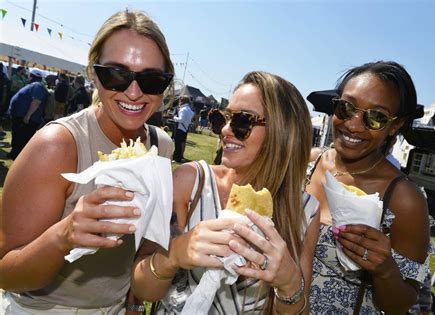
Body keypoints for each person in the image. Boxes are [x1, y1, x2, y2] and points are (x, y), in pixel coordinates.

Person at [0, 10, 174, 314]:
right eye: (116, 74)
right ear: (93, 73)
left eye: (152, 80)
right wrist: (63, 237)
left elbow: (143, 246)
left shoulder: (161, 146)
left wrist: (133, 301)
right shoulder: (57, 146)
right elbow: (6, 273)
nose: (134, 92)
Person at [131, 71, 320, 313]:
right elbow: (143, 290)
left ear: (283, 133)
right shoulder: (190, 181)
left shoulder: (305, 210)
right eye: (225, 118)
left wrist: (289, 285)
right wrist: (175, 255)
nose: (225, 130)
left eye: (242, 121)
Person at [305, 61, 434, 313]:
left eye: (376, 117)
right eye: (346, 107)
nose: (353, 125)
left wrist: (384, 269)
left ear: (395, 126)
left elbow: (400, 304)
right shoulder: (308, 163)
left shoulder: (404, 199)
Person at [7, 69, 49, 160]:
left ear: (31, 76)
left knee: (21, 138)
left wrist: (28, 115)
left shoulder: (37, 86)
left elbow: (36, 101)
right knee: (18, 136)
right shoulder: (35, 85)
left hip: (27, 118)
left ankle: (18, 157)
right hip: (22, 117)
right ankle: (15, 154)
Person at [172, 95, 194, 162]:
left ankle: (177, 159)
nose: (179, 102)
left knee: (177, 144)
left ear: (183, 101)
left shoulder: (183, 109)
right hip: (185, 128)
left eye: (180, 100)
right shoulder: (189, 109)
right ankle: (177, 157)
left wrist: (173, 117)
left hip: (180, 128)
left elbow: (181, 120)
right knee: (180, 144)